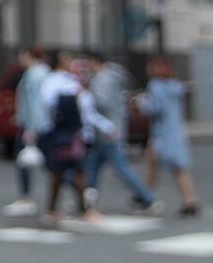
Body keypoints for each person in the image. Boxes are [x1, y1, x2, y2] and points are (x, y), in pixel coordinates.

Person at [34, 51, 111, 224]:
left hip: (74, 134)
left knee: (69, 173)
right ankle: (73, 209)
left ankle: (68, 209)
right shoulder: (54, 82)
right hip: (59, 134)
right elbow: (49, 105)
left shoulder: (72, 82)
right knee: (64, 173)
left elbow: (87, 112)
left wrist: (106, 126)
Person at [84, 51, 161, 214]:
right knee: (92, 167)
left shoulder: (100, 79)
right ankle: (86, 200)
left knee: (120, 168)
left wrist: (86, 96)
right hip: (115, 127)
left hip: (106, 131)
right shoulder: (115, 75)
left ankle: (147, 198)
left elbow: (101, 103)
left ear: (93, 61)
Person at [141, 54, 201, 216]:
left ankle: (147, 197)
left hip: (161, 133)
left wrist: (143, 104)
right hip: (175, 131)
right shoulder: (175, 85)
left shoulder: (155, 86)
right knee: (176, 167)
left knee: (155, 165)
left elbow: (155, 109)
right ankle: (189, 199)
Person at [2, 44, 50, 216]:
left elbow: (35, 103)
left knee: (23, 160)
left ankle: (26, 198)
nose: (20, 59)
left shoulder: (33, 74)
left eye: (22, 55)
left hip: (32, 126)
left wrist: (31, 128)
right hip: (37, 124)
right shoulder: (44, 72)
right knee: (51, 162)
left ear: (29, 55)